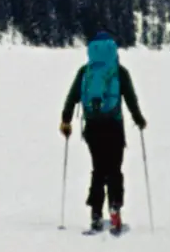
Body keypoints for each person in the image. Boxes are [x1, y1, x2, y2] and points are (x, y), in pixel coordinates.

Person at [58, 32, 147, 233]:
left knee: (98, 169)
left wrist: (66, 120)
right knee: (114, 169)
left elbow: (71, 98)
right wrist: (139, 120)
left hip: (92, 128)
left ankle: (96, 214)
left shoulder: (85, 72)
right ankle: (115, 206)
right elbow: (131, 100)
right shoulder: (119, 72)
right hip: (114, 128)